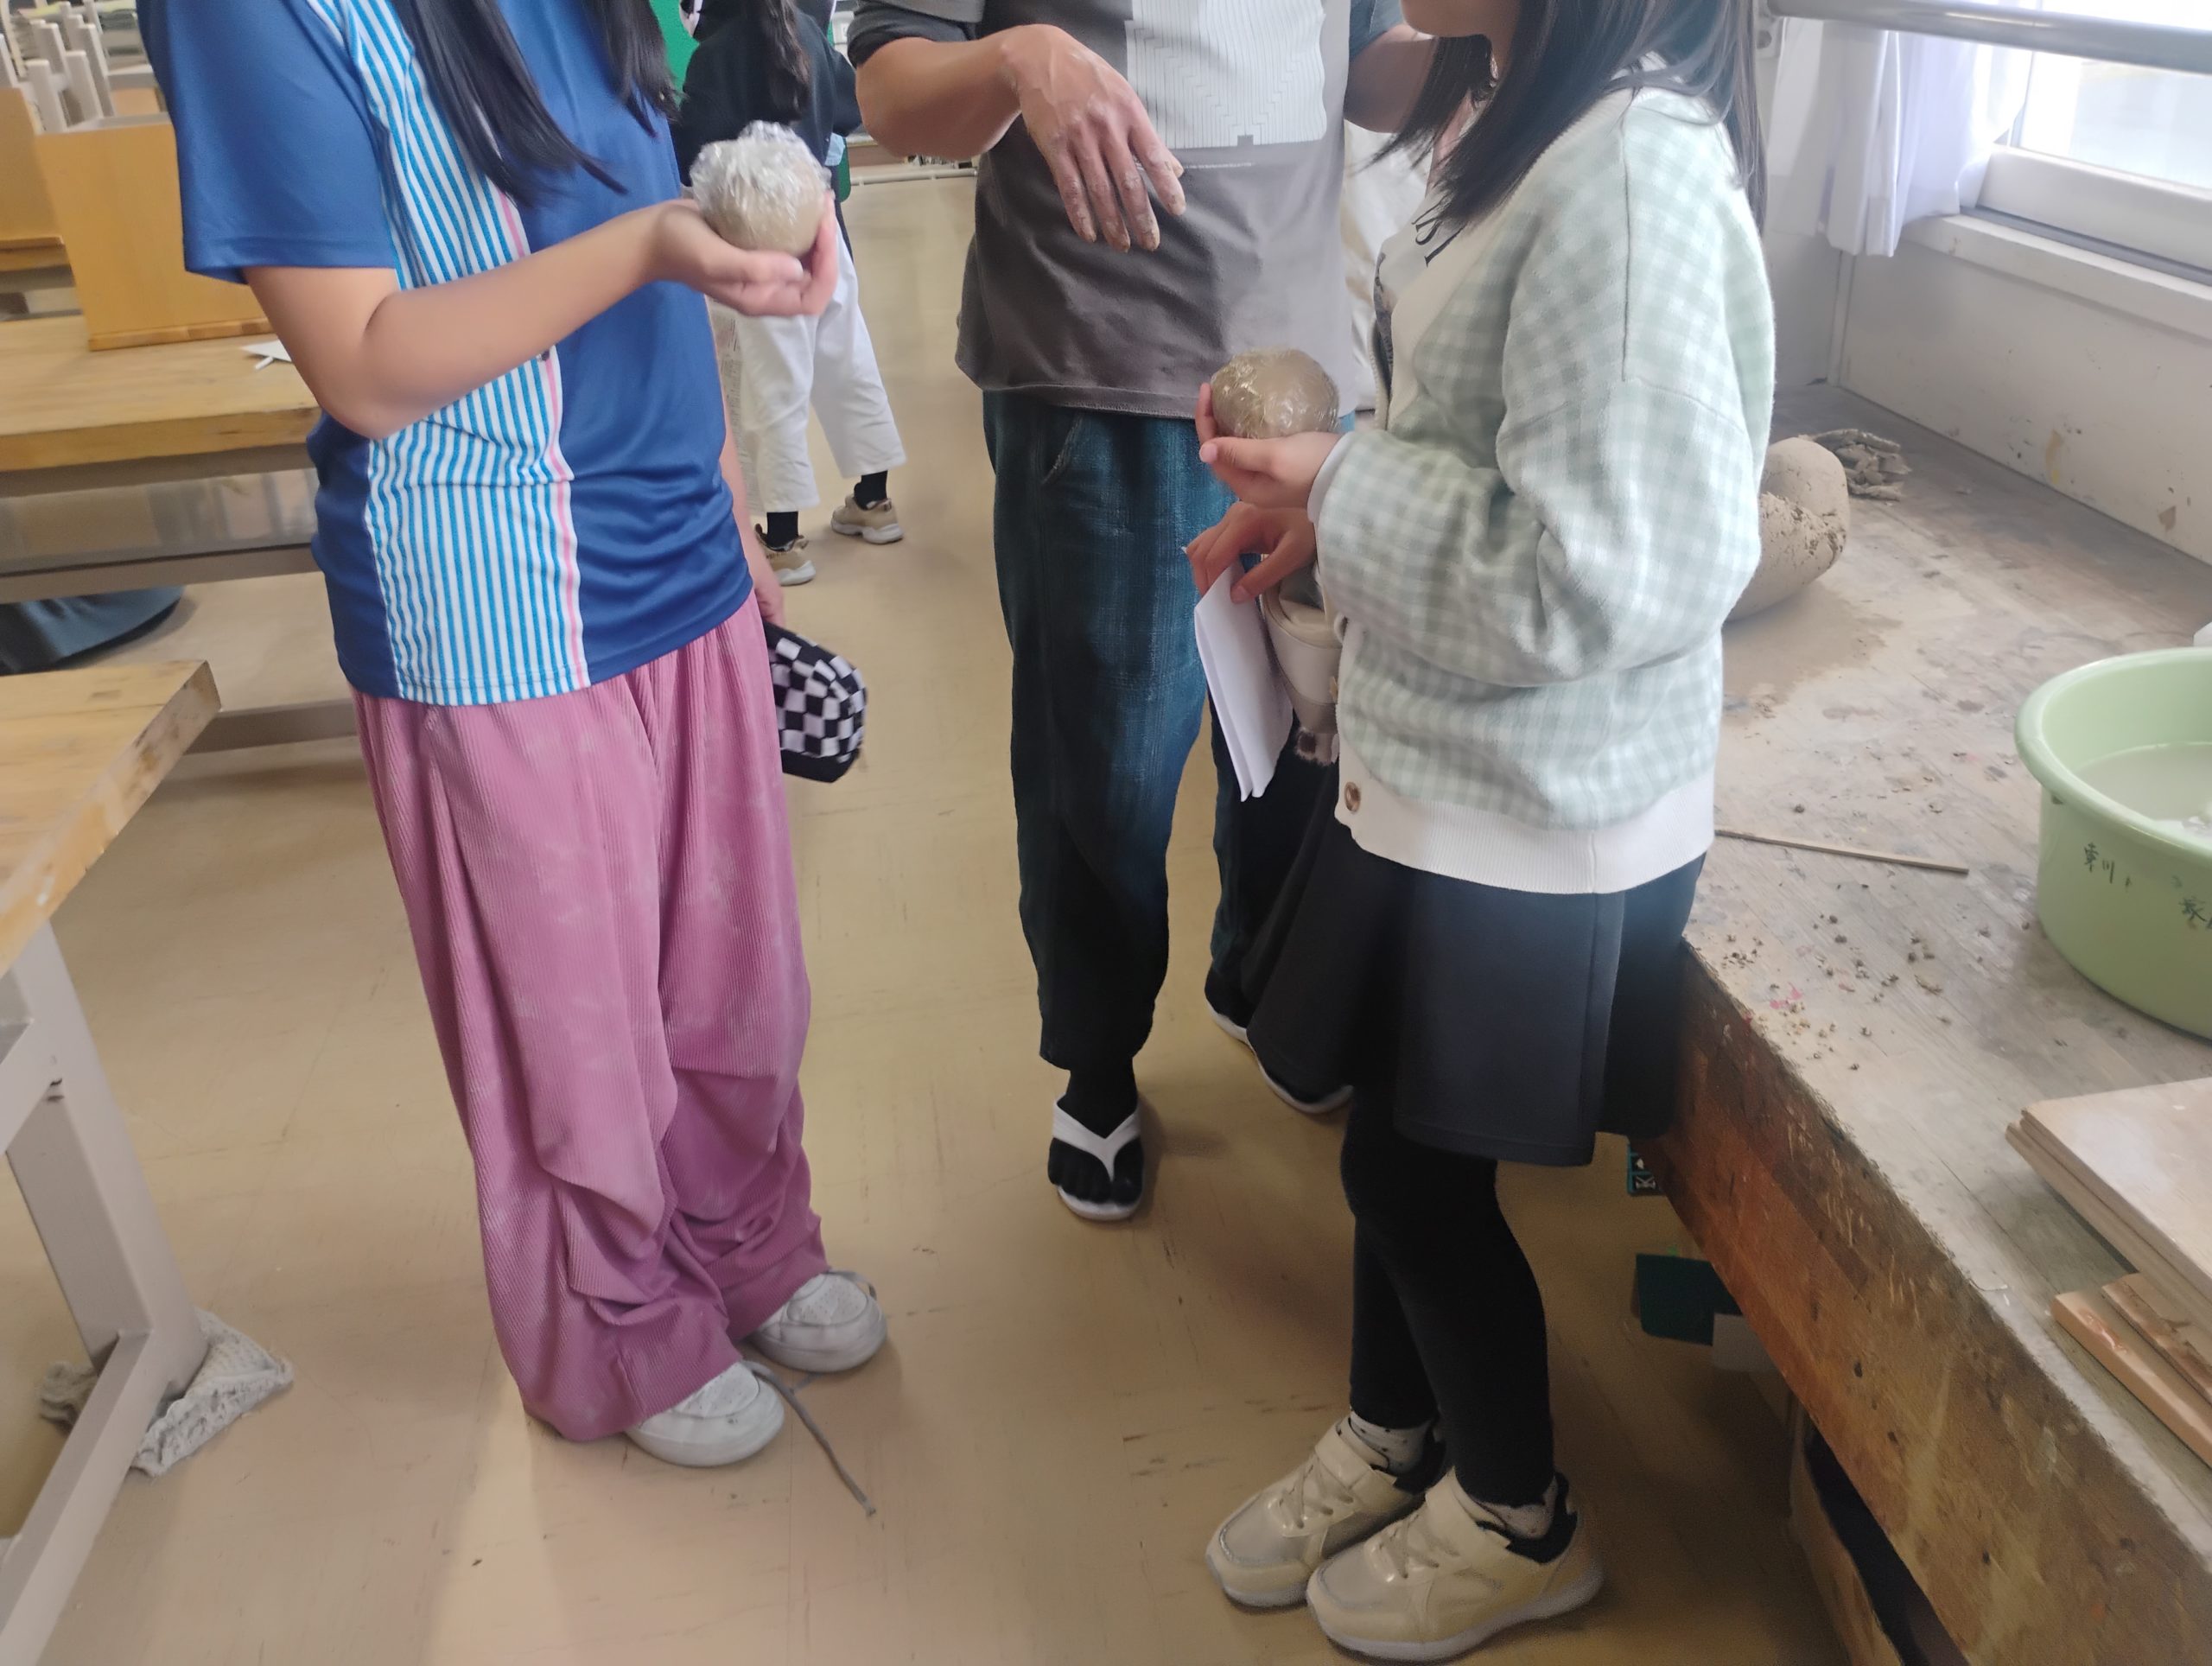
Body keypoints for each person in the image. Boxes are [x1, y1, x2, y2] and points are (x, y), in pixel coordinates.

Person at [143, 0, 887, 1472]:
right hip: (491, 588)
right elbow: (363, 361)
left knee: (736, 980)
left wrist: (728, 497)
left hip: (675, 538)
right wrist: (653, 245)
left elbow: (643, 189)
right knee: (572, 1031)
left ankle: (747, 1240)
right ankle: (617, 1322)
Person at [1188, 0, 1774, 1654]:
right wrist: (1331, 501)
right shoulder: (1509, 107)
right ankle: (1397, 1430)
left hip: (1541, 799)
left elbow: (1600, 571)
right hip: (1435, 756)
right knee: (1393, 1137)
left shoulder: (1633, 174)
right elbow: (1493, 435)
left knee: (1407, 1171)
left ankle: (1520, 1514)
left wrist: (1342, 484)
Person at [854, 0, 1432, 1223]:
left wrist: (1515, 50)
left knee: (1304, 724)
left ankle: (1262, 978)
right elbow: (893, 98)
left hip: (1306, 368)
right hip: (1103, 371)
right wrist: (1018, 56)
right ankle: (1099, 1059)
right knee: (1106, 762)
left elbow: (1374, 67)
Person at [676, 0, 908, 585]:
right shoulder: (805, 30)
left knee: (773, 383)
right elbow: (851, 108)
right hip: (821, 226)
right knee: (850, 362)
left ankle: (783, 542)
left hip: (756, 239)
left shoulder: (715, 55)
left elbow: (691, 153)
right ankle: (874, 503)